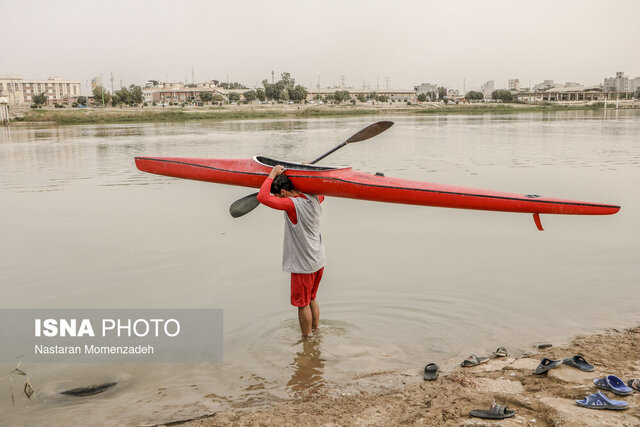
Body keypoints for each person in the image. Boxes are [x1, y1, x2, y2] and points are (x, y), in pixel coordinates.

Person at [257, 165, 325, 337]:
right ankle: (317, 331)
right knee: (311, 299)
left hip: (303, 264)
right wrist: (304, 171)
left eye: (278, 195)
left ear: (284, 192)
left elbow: (262, 197)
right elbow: (319, 190)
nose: (278, 199)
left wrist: (272, 174)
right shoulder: (315, 198)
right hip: (318, 260)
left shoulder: (291, 205)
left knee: (302, 304)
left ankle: (306, 340)